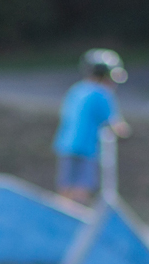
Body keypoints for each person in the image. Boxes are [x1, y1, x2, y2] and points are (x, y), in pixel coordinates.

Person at [54, 48, 131, 205]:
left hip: (66, 144)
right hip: (87, 147)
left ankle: (62, 210)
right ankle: (76, 212)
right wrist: (125, 132)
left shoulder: (76, 89)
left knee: (66, 186)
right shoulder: (102, 94)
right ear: (105, 76)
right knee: (82, 186)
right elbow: (117, 125)